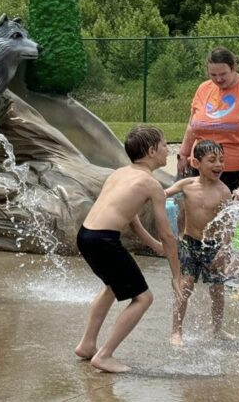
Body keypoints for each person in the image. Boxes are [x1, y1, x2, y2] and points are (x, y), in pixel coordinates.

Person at [74, 125, 184, 373]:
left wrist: (152, 245)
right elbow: (167, 234)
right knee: (143, 298)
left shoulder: (119, 173)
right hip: (104, 240)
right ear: (151, 150)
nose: (168, 150)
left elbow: (131, 219)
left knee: (112, 288)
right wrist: (176, 275)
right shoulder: (150, 184)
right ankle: (105, 355)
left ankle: (87, 344)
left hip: (86, 235)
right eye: (165, 145)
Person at [161, 139, 233, 346]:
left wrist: (225, 250)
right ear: (196, 163)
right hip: (190, 244)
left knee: (217, 290)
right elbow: (163, 194)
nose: (218, 164)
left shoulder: (223, 191)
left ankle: (217, 329)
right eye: (212, 160)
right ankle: (176, 331)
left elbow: (228, 225)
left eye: (221, 160)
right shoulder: (187, 185)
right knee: (185, 286)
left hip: (214, 246)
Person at [177, 47, 239, 191]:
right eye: (213, 74)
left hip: (237, 170)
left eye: (223, 74)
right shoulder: (203, 88)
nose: (218, 79)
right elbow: (192, 125)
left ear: (234, 67)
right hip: (201, 167)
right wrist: (184, 154)